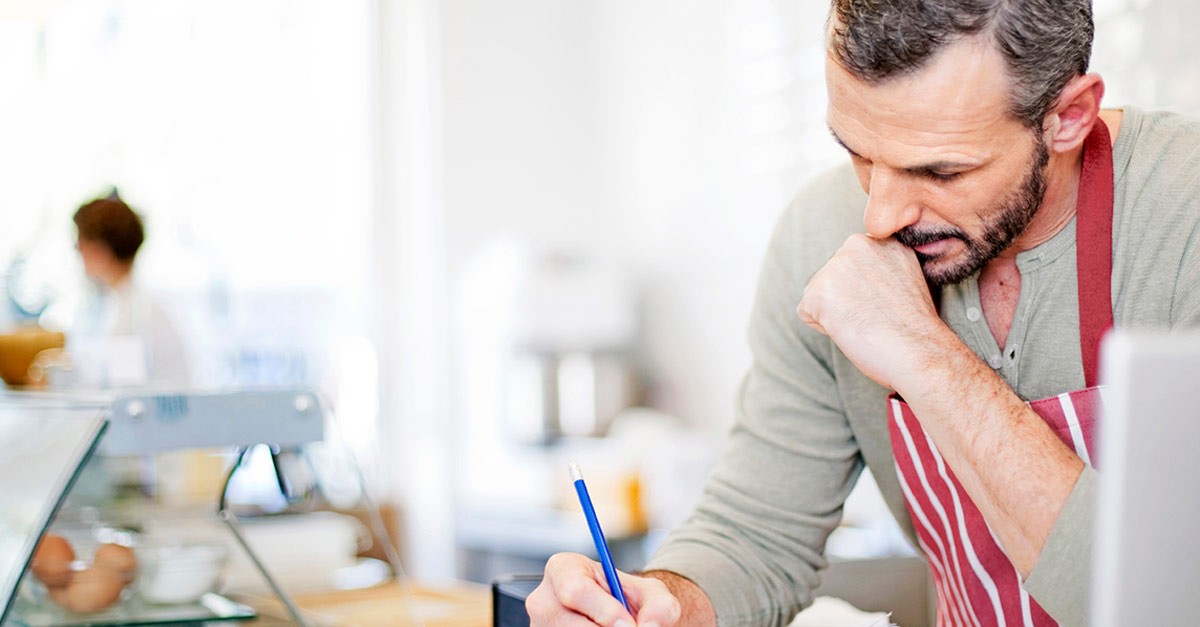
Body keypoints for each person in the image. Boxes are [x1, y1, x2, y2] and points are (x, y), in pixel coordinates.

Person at [526, 1, 1200, 626]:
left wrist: (924, 353)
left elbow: (1168, 599)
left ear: (1069, 116)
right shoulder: (820, 232)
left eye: (940, 173)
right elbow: (757, 535)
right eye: (858, 153)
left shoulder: (1183, 215)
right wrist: (659, 602)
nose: (879, 217)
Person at [68, 193, 190, 388]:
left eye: (80, 243)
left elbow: (125, 392)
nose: (77, 250)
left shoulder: (135, 314)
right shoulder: (114, 304)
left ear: (100, 249)